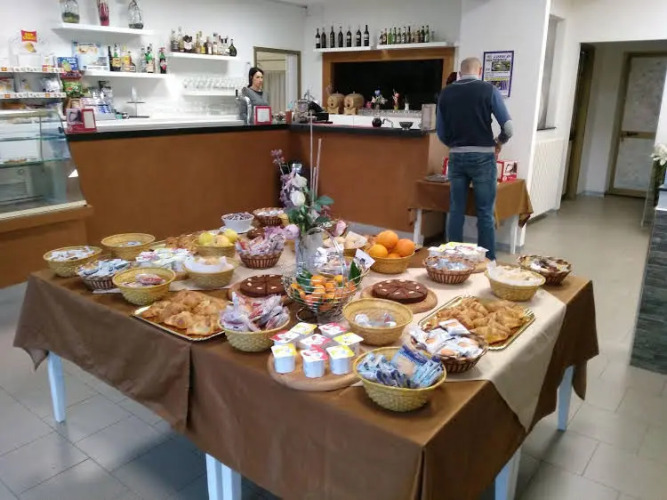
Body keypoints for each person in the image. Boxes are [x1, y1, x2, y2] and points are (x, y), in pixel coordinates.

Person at [436, 57, 513, 261]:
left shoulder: (446, 93)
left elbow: (441, 132)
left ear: (460, 73)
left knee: (456, 210)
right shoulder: (488, 90)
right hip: (484, 158)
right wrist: (499, 142)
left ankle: (453, 260)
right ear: (480, 72)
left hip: (456, 156)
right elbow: (508, 128)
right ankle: (487, 262)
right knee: (485, 212)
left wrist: (454, 145)